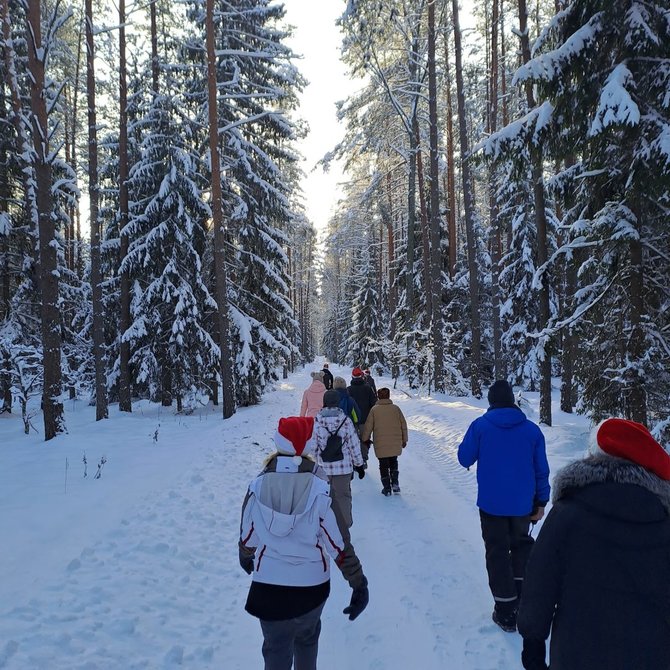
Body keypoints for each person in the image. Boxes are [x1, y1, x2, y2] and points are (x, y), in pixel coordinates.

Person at [518, 418, 670, 670]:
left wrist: (533, 642)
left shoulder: (568, 512)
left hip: (576, 653)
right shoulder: (664, 521)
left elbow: (540, 579)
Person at [239, 416, 369, 670]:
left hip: (268, 587)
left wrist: (245, 555)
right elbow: (338, 545)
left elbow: (248, 536)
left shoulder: (257, 485)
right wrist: (358, 583)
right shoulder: (320, 489)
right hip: (310, 588)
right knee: (307, 642)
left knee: (275, 648)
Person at [457, 380, 550, 633]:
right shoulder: (532, 431)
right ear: (511, 400)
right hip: (523, 505)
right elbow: (542, 470)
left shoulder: (480, 426)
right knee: (521, 548)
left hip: (491, 504)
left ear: (490, 401)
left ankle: (506, 611)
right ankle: (521, 600)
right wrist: (541, 501)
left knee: (497, 553)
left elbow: (464, 457)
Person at [313, 390, 366, 580]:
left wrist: (312, 464)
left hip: (324, 469)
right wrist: (359, 464)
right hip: (343, 468)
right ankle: (344, 530)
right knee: (343, 498)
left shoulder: (317, 422)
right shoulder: (346, 421)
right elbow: (353, 444)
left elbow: (313, 446)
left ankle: (325, 531)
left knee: (325, 500)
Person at [360, 387, 408, 496]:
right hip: (395, 442)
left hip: (380, 443)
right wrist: (404, 440)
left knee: (383, 464)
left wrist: (365, 439)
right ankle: (395, 483)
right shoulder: (396, 409)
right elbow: (403, 425)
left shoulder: (374, 410)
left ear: (378, 396)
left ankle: (386, 488)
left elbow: (368, 426)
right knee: (394, 462)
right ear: (389, 396)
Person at [348, 367, 377, 462]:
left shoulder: (349, 390)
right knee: (365, 440)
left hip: (352, 421)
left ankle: (355, 459)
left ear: (352, 376)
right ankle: (363, 458)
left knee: (354, 440)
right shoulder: (368, 389)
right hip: (366, 420)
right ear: (362, 376)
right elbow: (374, 403)